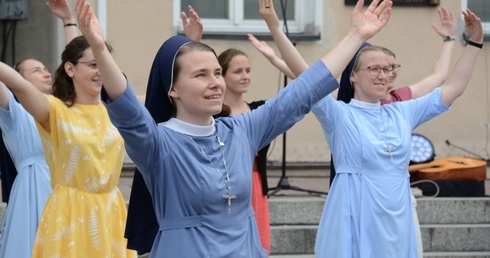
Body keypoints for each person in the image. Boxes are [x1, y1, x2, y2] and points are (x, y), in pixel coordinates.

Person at [73, 0, 393, 256]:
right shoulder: (158, 143)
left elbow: (303, 92)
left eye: (216, 73)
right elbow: (127, 110)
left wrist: (356, 37)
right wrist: (99, 49)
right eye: (201, 76)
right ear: (173, 89)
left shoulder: (241, 130)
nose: (215, 84)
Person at [0, 34, 138, 258]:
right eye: (94, 65)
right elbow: (18, 84)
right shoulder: (55, 110)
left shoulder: (117, 109)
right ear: (70, 69)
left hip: (111, 213)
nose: (100, 71)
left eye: (103, 64)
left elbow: (164, 90)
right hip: (70, 214)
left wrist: (190, 43)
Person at [0, 1, 80, 257]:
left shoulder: (64, 111)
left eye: (47, 69)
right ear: (19, 79)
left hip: (65, 187)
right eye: (36, 70)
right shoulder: (15, 112)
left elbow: (77, 65)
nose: (46, 73)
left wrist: (69, 21)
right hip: (32, 190)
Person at [215, 48, 274, 254]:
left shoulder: (259, 110)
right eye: (238, 71)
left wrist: (275, 58)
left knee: (259, 246)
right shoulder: (214, 115)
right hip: (227, 189)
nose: (245, 76)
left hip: (256, 186)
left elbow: (302, 87)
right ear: (222, 75)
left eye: (248, 70)